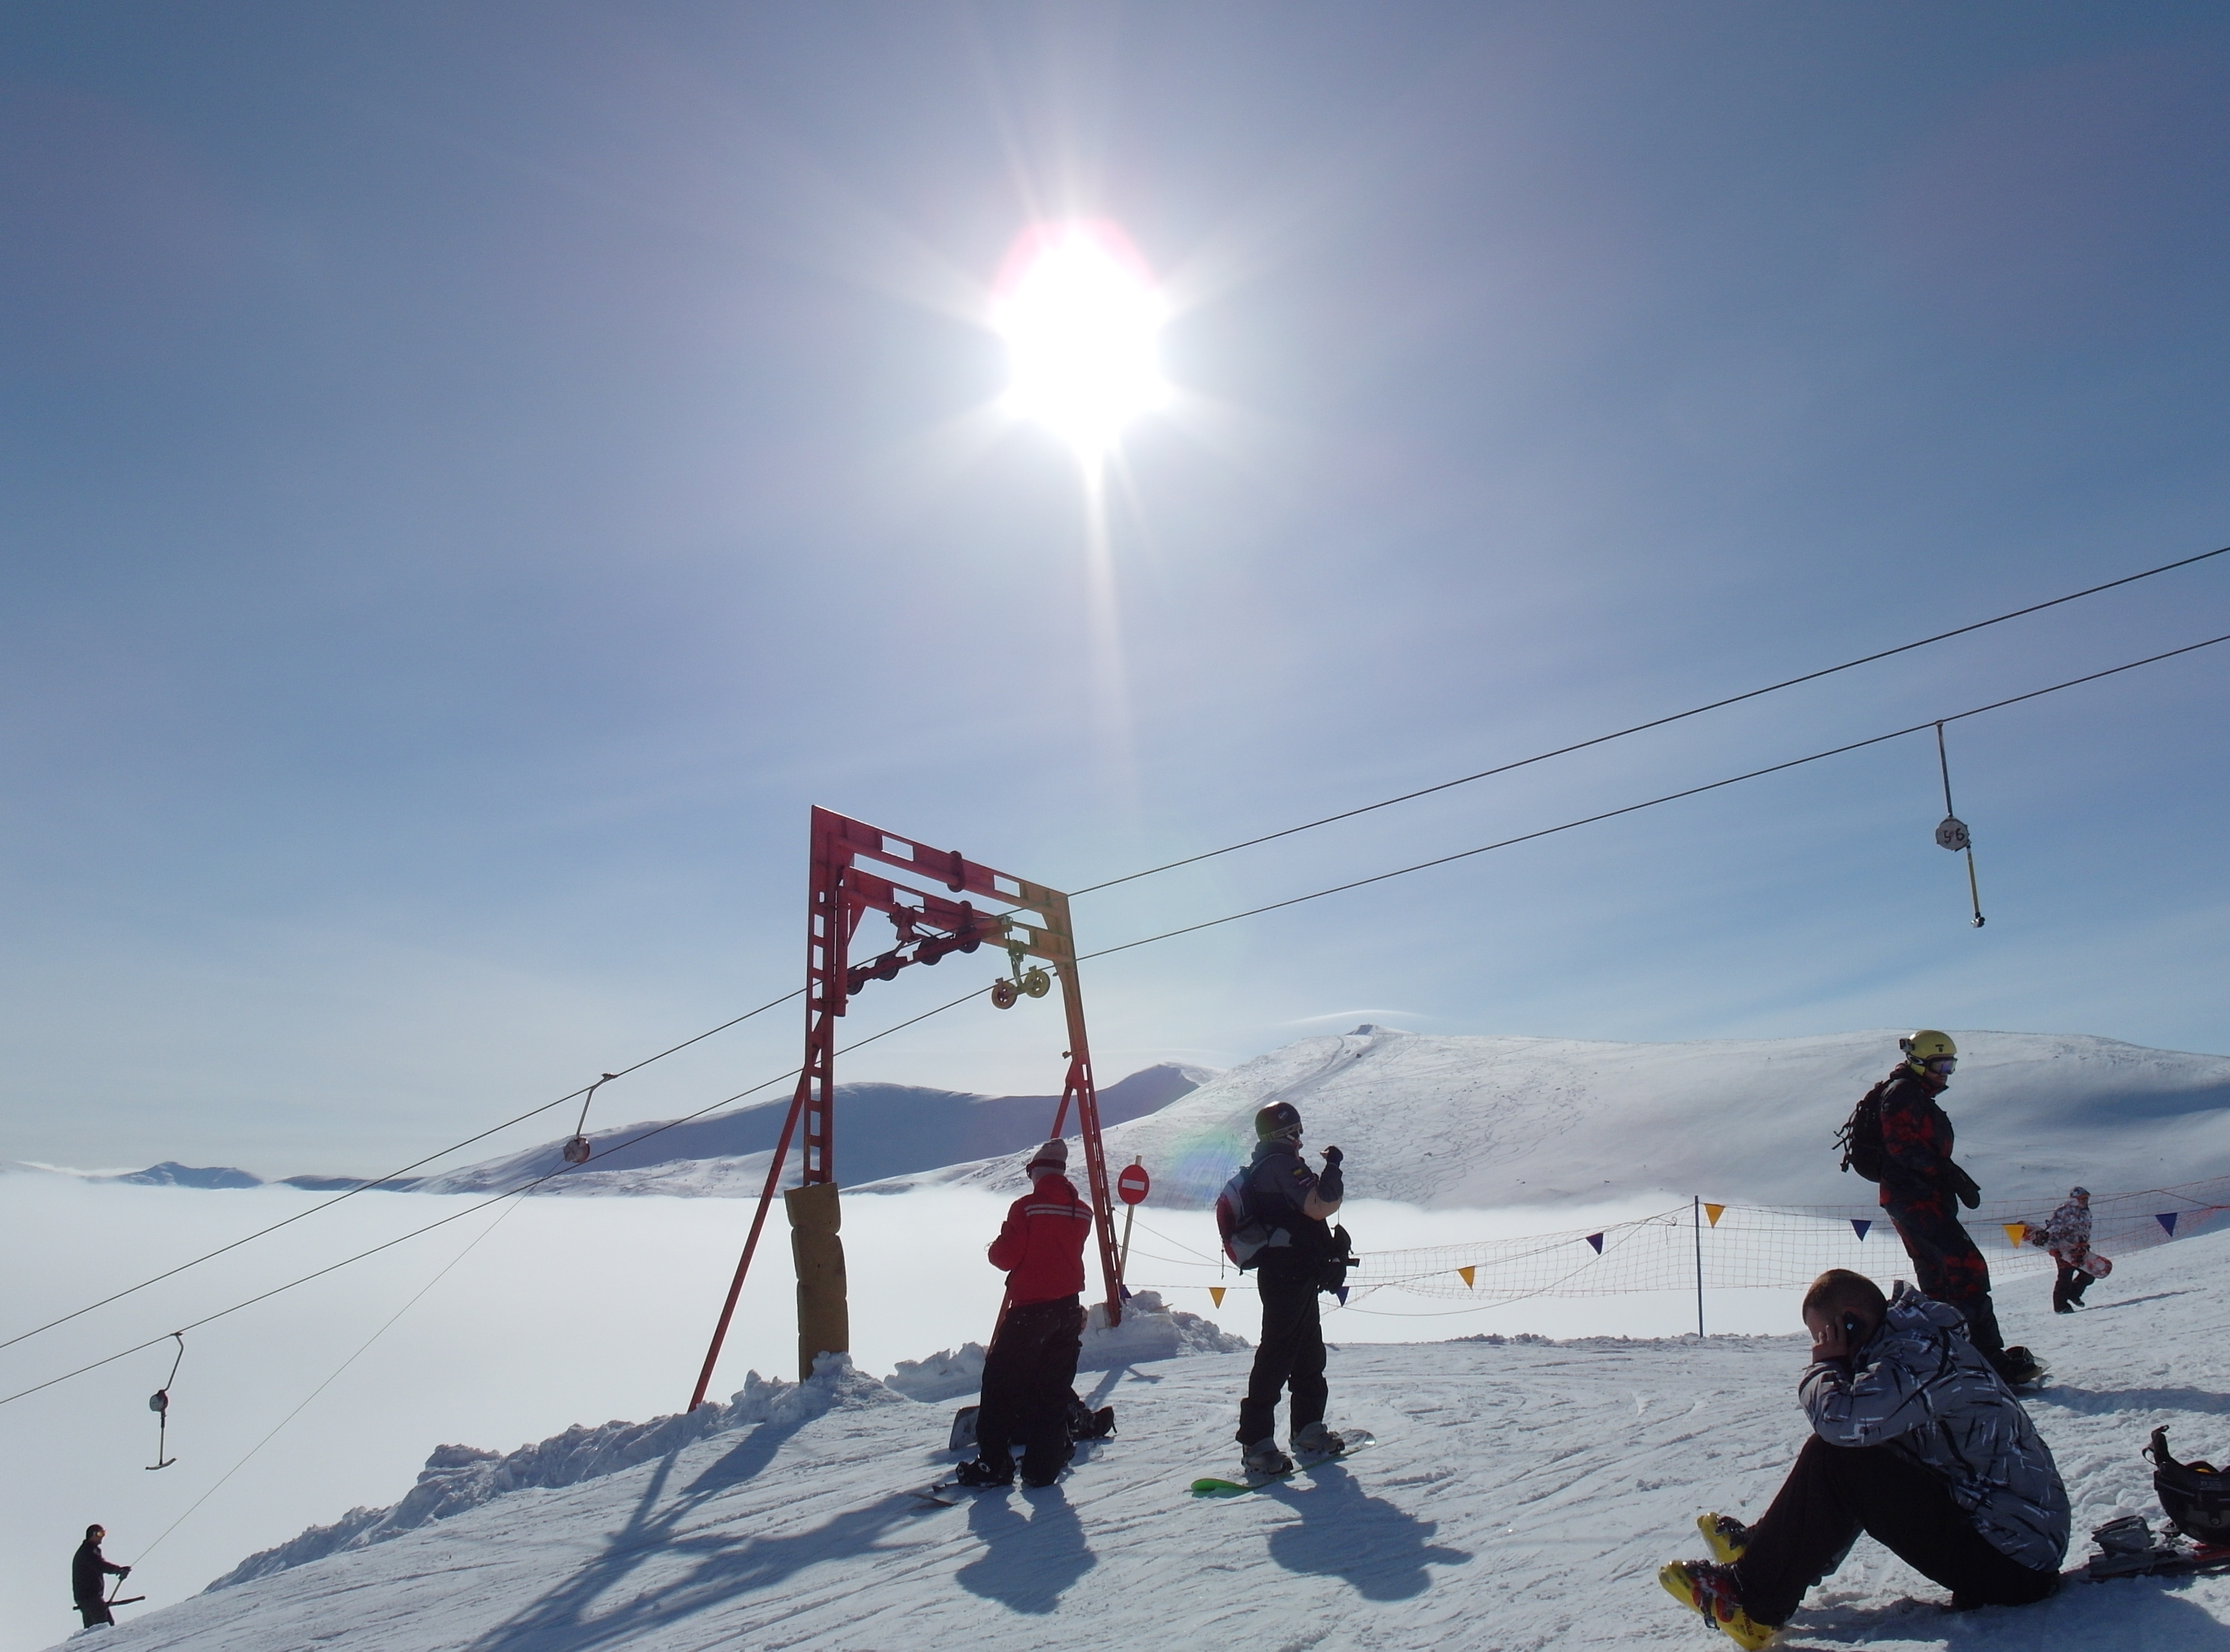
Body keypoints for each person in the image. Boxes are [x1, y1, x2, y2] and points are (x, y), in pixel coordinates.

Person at [1659, 1269, 2068, 1648]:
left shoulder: (1917, 1354)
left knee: (1839, 1454)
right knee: (1856, 1453)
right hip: (2010, 1547)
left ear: (1850, 1320)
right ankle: (1766, 1552)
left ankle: (1750, 1603)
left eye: (1823, 1334)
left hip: (2012, 1563)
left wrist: (1825, 1367)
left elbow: (1840, 1424)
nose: (1821, 1345)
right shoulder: (1905, 1345)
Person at [1871, 1030, 2037, 1386]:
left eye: (1951, 1065)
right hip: (1914, 1200)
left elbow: (1919, 1150)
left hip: (1921, 1199)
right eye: (1940, 1064)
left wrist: (1950, 1177)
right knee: (1966, 1269)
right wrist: (1950, 1174)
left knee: (1940, 1278)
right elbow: (1902, 1149)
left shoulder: (1916, 1095)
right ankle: (1985, 1358)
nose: (1945, 1073)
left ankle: (1953, 1358)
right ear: (1918, 1062)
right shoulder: (1902, 1096)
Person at [954, 1138, 1094, 1490]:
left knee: (1000, 1385)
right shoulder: (1083, 1212)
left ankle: (995, 1464)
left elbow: (1006, 1257)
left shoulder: (1026, 1208)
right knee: (1051, 1388)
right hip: (1068, 1309)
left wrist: (997, 1245)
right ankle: (1042, 1467)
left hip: (1031, 1310)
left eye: (1031, 1171)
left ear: (1039, 1172)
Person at [1234, 1101, 1348, 1476]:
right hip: (1287, 1272)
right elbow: (1320, 1205)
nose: (1299, 1140)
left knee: (1306, 1350)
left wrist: (1327, 1254)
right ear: (1278, 1137)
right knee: (1278, 1352)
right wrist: (1332, 1167)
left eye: (1298, 1132)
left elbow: (1300, 1219)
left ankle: (1307, 1428)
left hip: (1294, 1269)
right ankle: (1258, 1444)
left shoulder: (1268, 1166)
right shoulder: (1282, 1165)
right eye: (1293, 1133)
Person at [2026, 1186, 2098, 1313]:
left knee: (2090, 1273)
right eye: (2081, 1199)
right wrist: (2054, 1248)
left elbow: (2086, 1230)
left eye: (2086, 1199)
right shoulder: (2064, 1211)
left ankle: (2073, 1294)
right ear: (2074, 1199)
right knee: (2065, 1276)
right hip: (2063, 1248)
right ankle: (2060, 1306)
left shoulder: (2086, 1212)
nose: (2084, 1201)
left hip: (2080, 1248)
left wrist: (2085, 1244)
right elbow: (2053, 1231)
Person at [72, 1524, 128, 1630]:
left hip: (88, 1598)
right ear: (93, 1535)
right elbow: (100, 1565)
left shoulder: (91, 1550)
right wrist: (118, 1570)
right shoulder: (87, 1551)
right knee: (105, 1627)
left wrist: (119, 1570)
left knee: (94, 1629)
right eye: (100, 1533)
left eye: (104, 1533)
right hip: (90, 1598)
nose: (102, 1536)